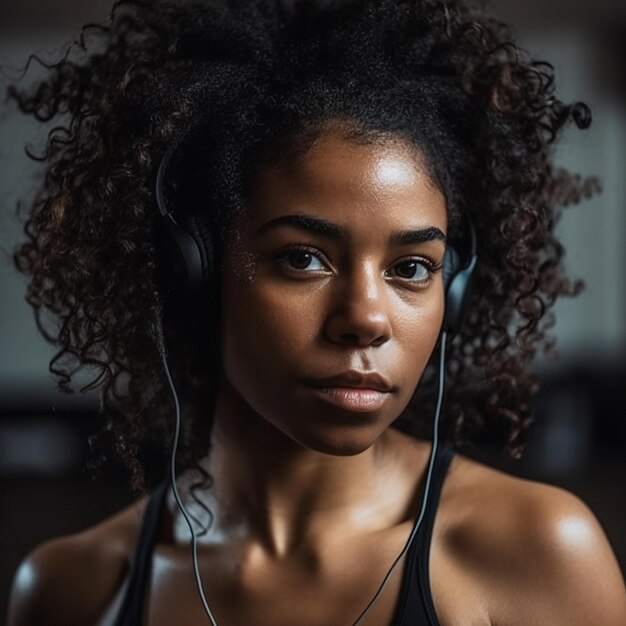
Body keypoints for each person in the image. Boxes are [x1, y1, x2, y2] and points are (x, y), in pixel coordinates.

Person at [6, 0, 626, 624]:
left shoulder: (539, 555)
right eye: (303, 259)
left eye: (411, 268)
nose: (366, 319)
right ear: (189, 272)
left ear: (453, 291)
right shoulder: (73, 590)